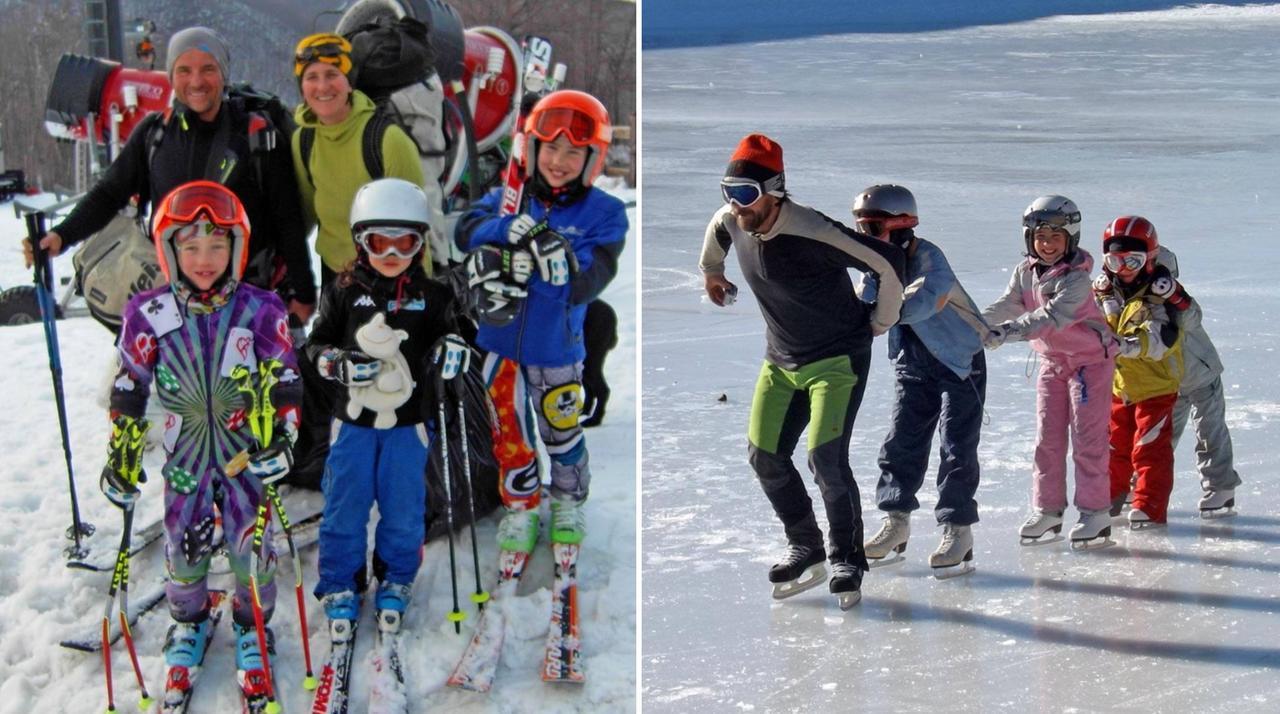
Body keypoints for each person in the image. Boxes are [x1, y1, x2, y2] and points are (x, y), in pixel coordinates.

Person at [98, 181, 300, 695]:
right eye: (190, 246)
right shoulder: (148, 312)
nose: (204, 258)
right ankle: (188, 622)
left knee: (250, 551)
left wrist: (283, 434)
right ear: (169, 250)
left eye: (217, 245)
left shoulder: (261, 308)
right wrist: (122, 454)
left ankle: (253, 627)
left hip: (243, 461)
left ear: (237, 248)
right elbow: (129, 385)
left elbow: (284, 376)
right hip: (184, 459)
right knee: (183, 550)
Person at [699, 134, 905, 609]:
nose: (735, 205)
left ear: (774, 190)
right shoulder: (734, 218)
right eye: (728, 191)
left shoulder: (813, 230)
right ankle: (806, 545)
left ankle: (846, 557)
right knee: (764, 456)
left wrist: (881, 320)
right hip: (781, 360)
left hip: (836, 359)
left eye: (746, 194)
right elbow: (718, 229)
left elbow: (888, 265)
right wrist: (712, 270)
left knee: (825, 461)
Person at [23, 26, 316, 322]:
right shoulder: (154, 135)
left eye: (208, 69)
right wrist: (62, 235)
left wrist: (303, 295)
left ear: (223, 73)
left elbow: (287, 218)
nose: (197, 81)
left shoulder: (256, 135)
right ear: (171, 76)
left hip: (248, 301)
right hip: (172, 304)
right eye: (184, 70)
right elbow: (109, 193)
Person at [455, 89, 627, 559]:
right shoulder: (509, 197)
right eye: (550, 148)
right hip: (498, 342)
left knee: (560, 427)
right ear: (532, 150)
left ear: (592, 158)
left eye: (574, 152)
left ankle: (568, 500)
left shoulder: (604, 214)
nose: (559, 160)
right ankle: (522, 502)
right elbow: (465, 229)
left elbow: (591, 279)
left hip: (557, 349)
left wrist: (552, 268)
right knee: (508, 430)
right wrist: (501, 232)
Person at [304, 178, 463, 627]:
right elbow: (315, 344)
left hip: (408, 427)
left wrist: (453, 349)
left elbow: (453, 334)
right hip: (352, 426)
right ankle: (340, 581)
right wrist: (334, 362)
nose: (391, 255)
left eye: (404, 243)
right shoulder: (343, 291)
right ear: (360, 241)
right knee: (345, 504)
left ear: (420, 244)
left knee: (404, 506)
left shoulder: (433, 296)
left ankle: (396, 577)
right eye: (379, 242)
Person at [853, 185, 987, 576]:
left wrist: (881, 313)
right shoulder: (875, 261)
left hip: (959, 362)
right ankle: (895, 522)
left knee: (956, 447)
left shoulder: (929, 257)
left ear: (901, 226)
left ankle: (957, 529)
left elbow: (926, 300)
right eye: (860, 228)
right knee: (901, 442)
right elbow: (865, 299)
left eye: (872, 227)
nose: (865, 236)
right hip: (913, 363)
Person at [982, 196, 1117, 547]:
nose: (1047, 244)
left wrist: (1004, 334)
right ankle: (1048, 510)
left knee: (1088, 442)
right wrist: (978, 323)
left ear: (1070, 239)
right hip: (1052, 364)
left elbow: (1049, 318)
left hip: (1089, 364)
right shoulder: (1025, 271)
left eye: (1056, 237)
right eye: (1041, 237)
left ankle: (1095, 513)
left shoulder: (1076, 281)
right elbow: (1011, 303)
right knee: (1048, 441)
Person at [290, 32, 428, 286]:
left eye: (332, 75)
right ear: (302, 87)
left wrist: (422, 301)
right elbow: (306, 214)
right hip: (334, 279)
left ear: (349, 82)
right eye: (311, 77)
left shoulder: (387, 140)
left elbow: (417, 229)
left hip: (388, 280)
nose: (322, 87)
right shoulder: (303, 141)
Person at [1092, 215, 1193, 528]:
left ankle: (1149, 506)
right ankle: (1109, 497)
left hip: (1155, 386)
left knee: (1149, 448)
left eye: (1132, 260)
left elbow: (1165, 336)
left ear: (1149, 258)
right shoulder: (1107, 291)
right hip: (1120, 384)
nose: (1123, 269)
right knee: (1113, 445)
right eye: (1115, 260)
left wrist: (1130, 345)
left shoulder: (1160, 294)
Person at [1154, 247, 1241, 516]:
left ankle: (1220, 486)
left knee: (1210, 432)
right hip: (1168, 383)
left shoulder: (1180, 303)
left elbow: (1192, 317)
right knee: (1159, 435)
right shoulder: (1135, 307)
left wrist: (1172, 295)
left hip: (1202, 377)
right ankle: (1146, 485)